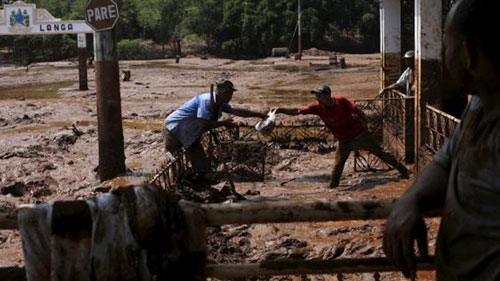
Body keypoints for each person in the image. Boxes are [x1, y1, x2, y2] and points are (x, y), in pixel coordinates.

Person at [383, 0, 500, 280]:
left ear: (469, 54)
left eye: (446, 46)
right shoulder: (479, 106)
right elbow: (446, 160)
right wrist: (411, 198)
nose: (442, 54)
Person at [275, 83, 410, 188]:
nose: (317, 98)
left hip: (359, 134)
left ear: (327, 95)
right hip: (344, 140)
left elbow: (358, 111)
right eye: (316, 95)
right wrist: (280, 110)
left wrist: (365, 125)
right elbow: (297, 111)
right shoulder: (317, 108)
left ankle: (403, 171)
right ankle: (332, 189)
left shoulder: (341, 101)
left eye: (319, 95)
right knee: (338, 166)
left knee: (380, 153)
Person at [163, 78, 267, 181]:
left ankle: (201, 179)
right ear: (224, 92)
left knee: (201, 163)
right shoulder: (207, 101)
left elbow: (237, 111)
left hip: (191, 133)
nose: (231, 96)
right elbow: (203, 124)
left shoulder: (220, 103)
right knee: (172, 157)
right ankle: (174, 181)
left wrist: (261, 115)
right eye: (230, 94)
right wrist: (223, 123)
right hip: (176, 127)